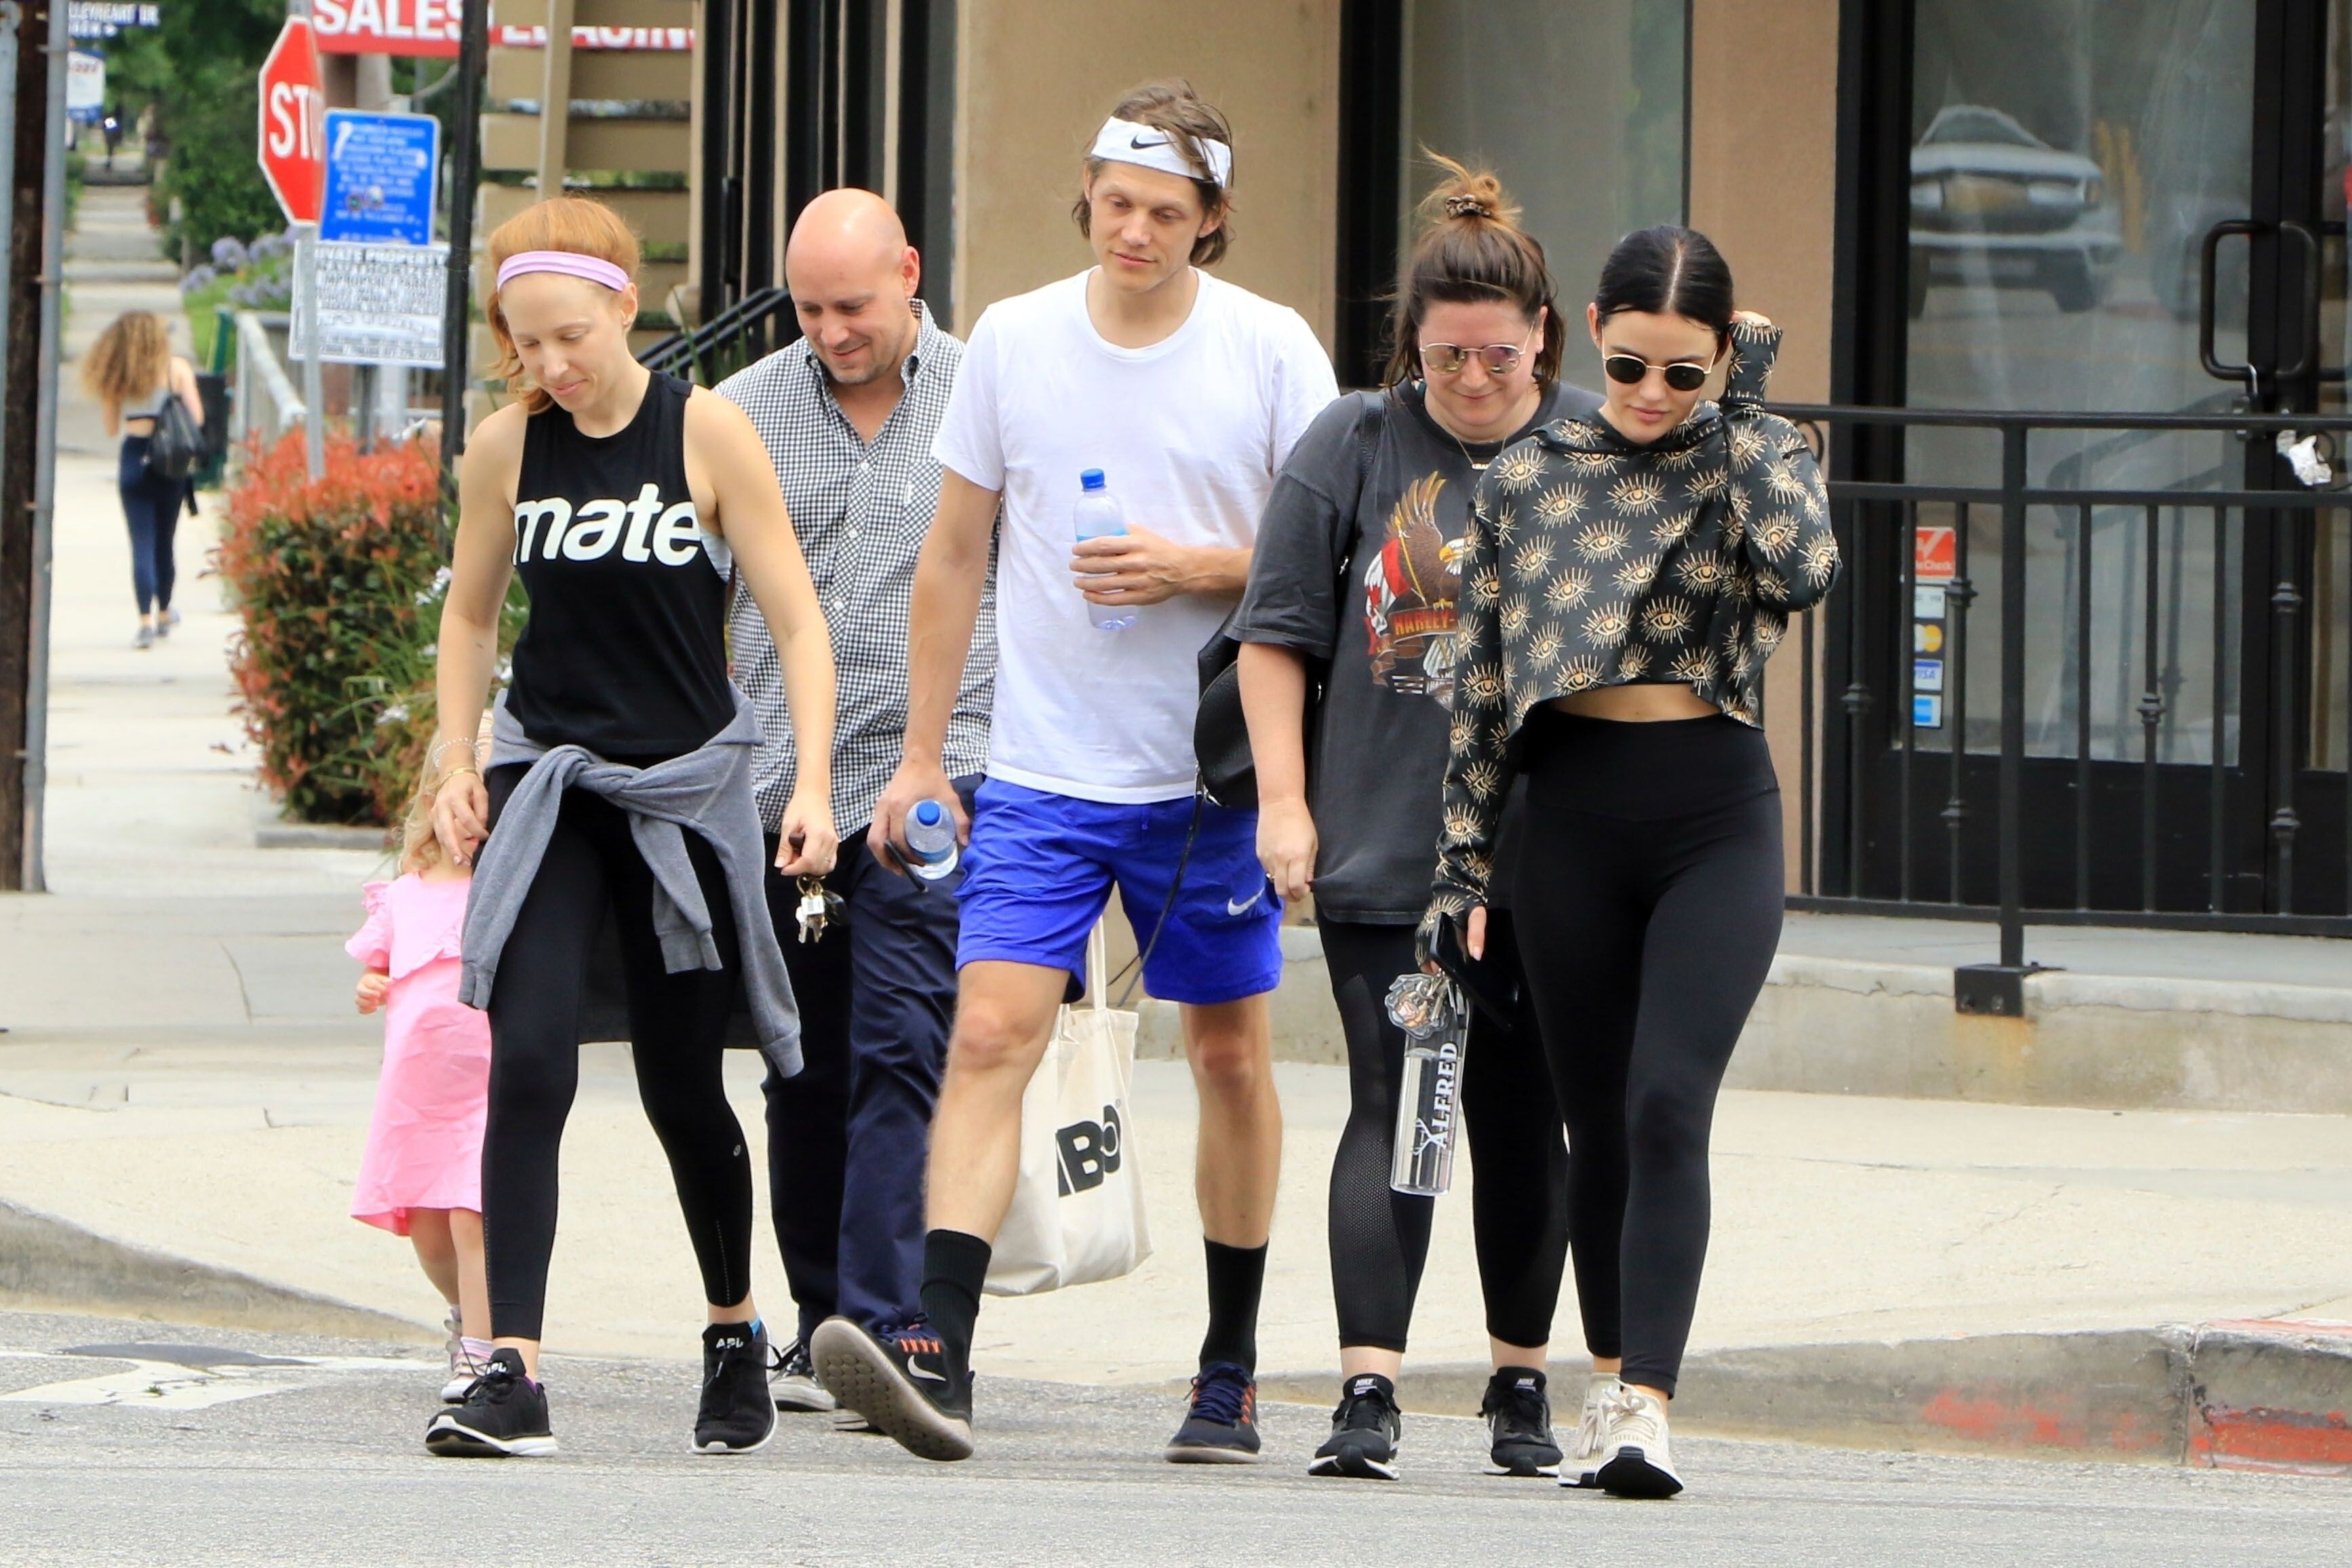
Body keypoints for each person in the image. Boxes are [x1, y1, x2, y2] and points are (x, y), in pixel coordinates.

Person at [812, 80, 1339, 1465]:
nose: (1134, 231)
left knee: (1226, 1052)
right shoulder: (1014, 337)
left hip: (1206, 777)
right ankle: (938, 1348)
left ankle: (1227, 1369)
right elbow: (953, 556)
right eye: (1115, 204)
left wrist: (1196, 566)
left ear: (1210, 219)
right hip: (1042, 771)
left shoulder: (1270, 349)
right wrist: (921, 757)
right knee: (991, 1031)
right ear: (1088, 199)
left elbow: (1331, 560)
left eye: (1164, 211)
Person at [1420, 224, 1839, 1499]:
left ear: (1723, 360)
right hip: (1566, 822)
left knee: (1666, 1102)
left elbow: (1804, 569)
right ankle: (1609, 1387)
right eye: (1629, 366)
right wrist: (1459, 870)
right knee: (1593, 1123)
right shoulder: (1524, 475)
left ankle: (1650, 1401)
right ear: (1589, 331)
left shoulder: (1752, 453)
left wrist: (1743, 411)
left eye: (1685, 372)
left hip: (1713, 816)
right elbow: (1480, 684)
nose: (1654, 395)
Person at [420, 195, 841, 1460]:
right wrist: (457, 757)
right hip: (551, 787)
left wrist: (811, 783)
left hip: (682, 798)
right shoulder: (507, 447)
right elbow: (469, 617)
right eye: (526, 342)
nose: (551, 363)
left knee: (681, 1086)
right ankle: (513, 1370)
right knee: (527, 1062)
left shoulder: (704, 431)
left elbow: (796, 619)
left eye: (572, 335)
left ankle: (733, 1327)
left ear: (622, 304)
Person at [1230, 155, 1584, 1482]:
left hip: (1554, 853)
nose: (1474, 380)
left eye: (1498, 355)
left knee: (1523, 1112)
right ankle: (1368, 1387)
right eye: (1446, 358)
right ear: (1411, 347)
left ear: (1542, 335)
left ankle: (1519, 1380)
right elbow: (1276, 634)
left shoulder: (1596, 443)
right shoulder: (1355, 442)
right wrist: (1283, 804)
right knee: (1399, 1099)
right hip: (1390, 842)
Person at [713, 188, 992, 1419]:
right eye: (810, 309)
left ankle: (889, 1323)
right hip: (788, 791)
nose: (833, 332)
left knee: (904, 1043)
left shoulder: (981, 395)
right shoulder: (739, 413)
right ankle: (822, 1315)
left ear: (910, 275)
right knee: (802, 1064)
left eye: (855, 307)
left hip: (942, 776)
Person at [347, 728, 495, 1406]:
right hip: (418, 1089)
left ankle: (483, 1350)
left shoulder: (502, 888)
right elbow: (376, 969)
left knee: (470, 1215)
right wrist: (371, 985)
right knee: (429, 1229)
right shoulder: (403, 894)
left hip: (483, 1084)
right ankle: (465, 1314)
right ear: (435, 805)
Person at [81, 311, 201, 648]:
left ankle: (144, 621)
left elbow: (111, 428)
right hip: (170, 462)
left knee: (141, 543)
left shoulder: (120, 375)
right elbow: (197, 418)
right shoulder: (177, 369)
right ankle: (164, 613)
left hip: (135, 459)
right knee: (165, 542)